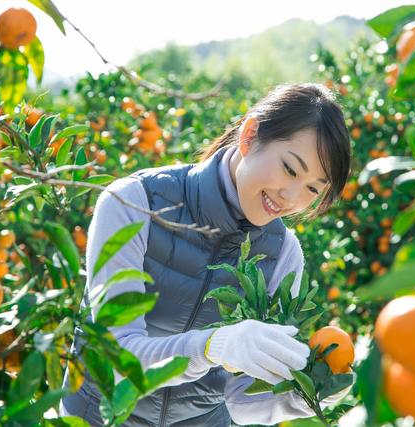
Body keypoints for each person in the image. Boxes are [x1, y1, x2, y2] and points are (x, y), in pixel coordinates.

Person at [60, 83, 352, 426]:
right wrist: (211, 346)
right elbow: (116, 362)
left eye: (313, 189)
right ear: (249, 135)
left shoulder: (283, 255)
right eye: (290, 169)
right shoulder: (135, 203)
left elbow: (240, 400)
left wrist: (307, 393)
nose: (290, 197)